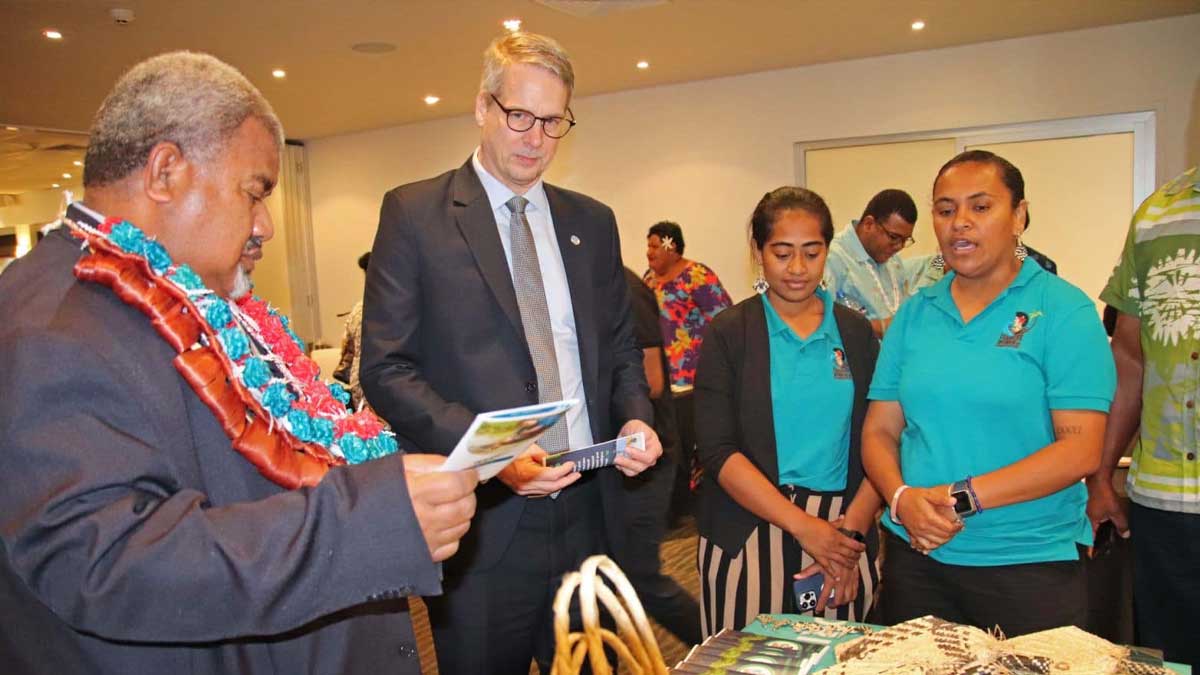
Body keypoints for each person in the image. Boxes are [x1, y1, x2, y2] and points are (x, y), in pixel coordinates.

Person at [0, 52, 478, 675]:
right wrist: (365, 523)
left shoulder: (180, 298)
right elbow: (110, 563)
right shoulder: (55, 325)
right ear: (165, 172)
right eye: (254, 192)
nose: (266, 226)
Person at [360, 32, 662, 674]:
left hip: (589, 511)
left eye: (553, 122)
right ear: (482, 107)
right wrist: (497, 457)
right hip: (482, 524)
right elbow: (386, 369)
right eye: (519, 116)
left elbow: (618, 347)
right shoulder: (415, 214)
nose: (535, 138)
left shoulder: (592, 222)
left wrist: (636, 415)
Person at [862, 149, 1115, 637]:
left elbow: (1080, 449)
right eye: (945, 209)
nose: (960, 222)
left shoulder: (1063, 309)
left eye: (980, 207)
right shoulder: (915, 314)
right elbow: (880, 429)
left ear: (1019, 216)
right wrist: (900, 497)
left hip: (1027, 563)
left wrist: (959, 498)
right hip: (918, 557)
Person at [694, 186, 879, 636]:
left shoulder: (855, 332)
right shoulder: (729, 333)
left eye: (812, 253)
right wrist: (803, 527)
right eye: (782, 253)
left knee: (838, 660)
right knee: (745, 660)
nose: (797, 268)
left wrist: (847, 538)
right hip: (749, 527)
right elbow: (717, 449)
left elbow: (883, 438)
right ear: (758, 251)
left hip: (843, 529)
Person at [1089, 165, 1200, 668]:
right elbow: (1130, 358)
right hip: (1165, 505)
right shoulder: (1158, 215)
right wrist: (1101, 475)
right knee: (1169, 657)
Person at [618, 266, 703, 646]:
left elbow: (651, 381)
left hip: (649, 457)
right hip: (617, 462)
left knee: (640, 576)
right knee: (601, 576)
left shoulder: (626, 289)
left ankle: (716, 647)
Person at [643, 220, 732, 508]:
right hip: (662, 380)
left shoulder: (697, 276)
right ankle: (674, 504)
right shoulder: (648, 280)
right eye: (648, 246)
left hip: (694, 380)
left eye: (655, 246)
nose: (649, 252)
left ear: (672, 248)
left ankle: (695, 503)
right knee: (669, 444)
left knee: (693, 442)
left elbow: (724, 321)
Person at [823, 189, 919, 336]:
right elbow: (821, 320)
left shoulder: (894, 261)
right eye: (893, 237)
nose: (899, 246)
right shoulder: (833, 257)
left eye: (905, 240)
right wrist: (880, 327)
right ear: (869, 224)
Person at [334, 251, 372, 411]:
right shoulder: (394, 307)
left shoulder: (358, 309)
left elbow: (346, 349)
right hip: (378, 387)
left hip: (359, 385)